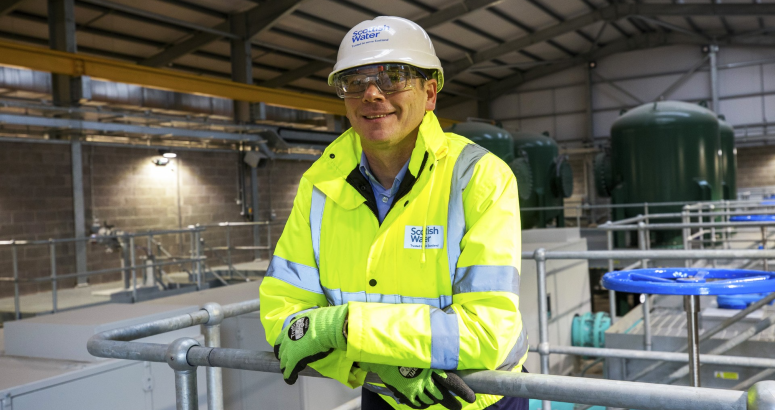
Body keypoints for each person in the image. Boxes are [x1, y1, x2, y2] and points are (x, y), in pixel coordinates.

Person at [260, 16, 528, 410]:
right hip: (381, 394)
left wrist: (344, 328)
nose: (371, 94)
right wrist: (384, 363)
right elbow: (283, 316)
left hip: (475, 399)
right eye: (354, 81)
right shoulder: (319, 184)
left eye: (393, 77)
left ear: (430, 92)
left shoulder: (478, 177)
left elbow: (488, 332)